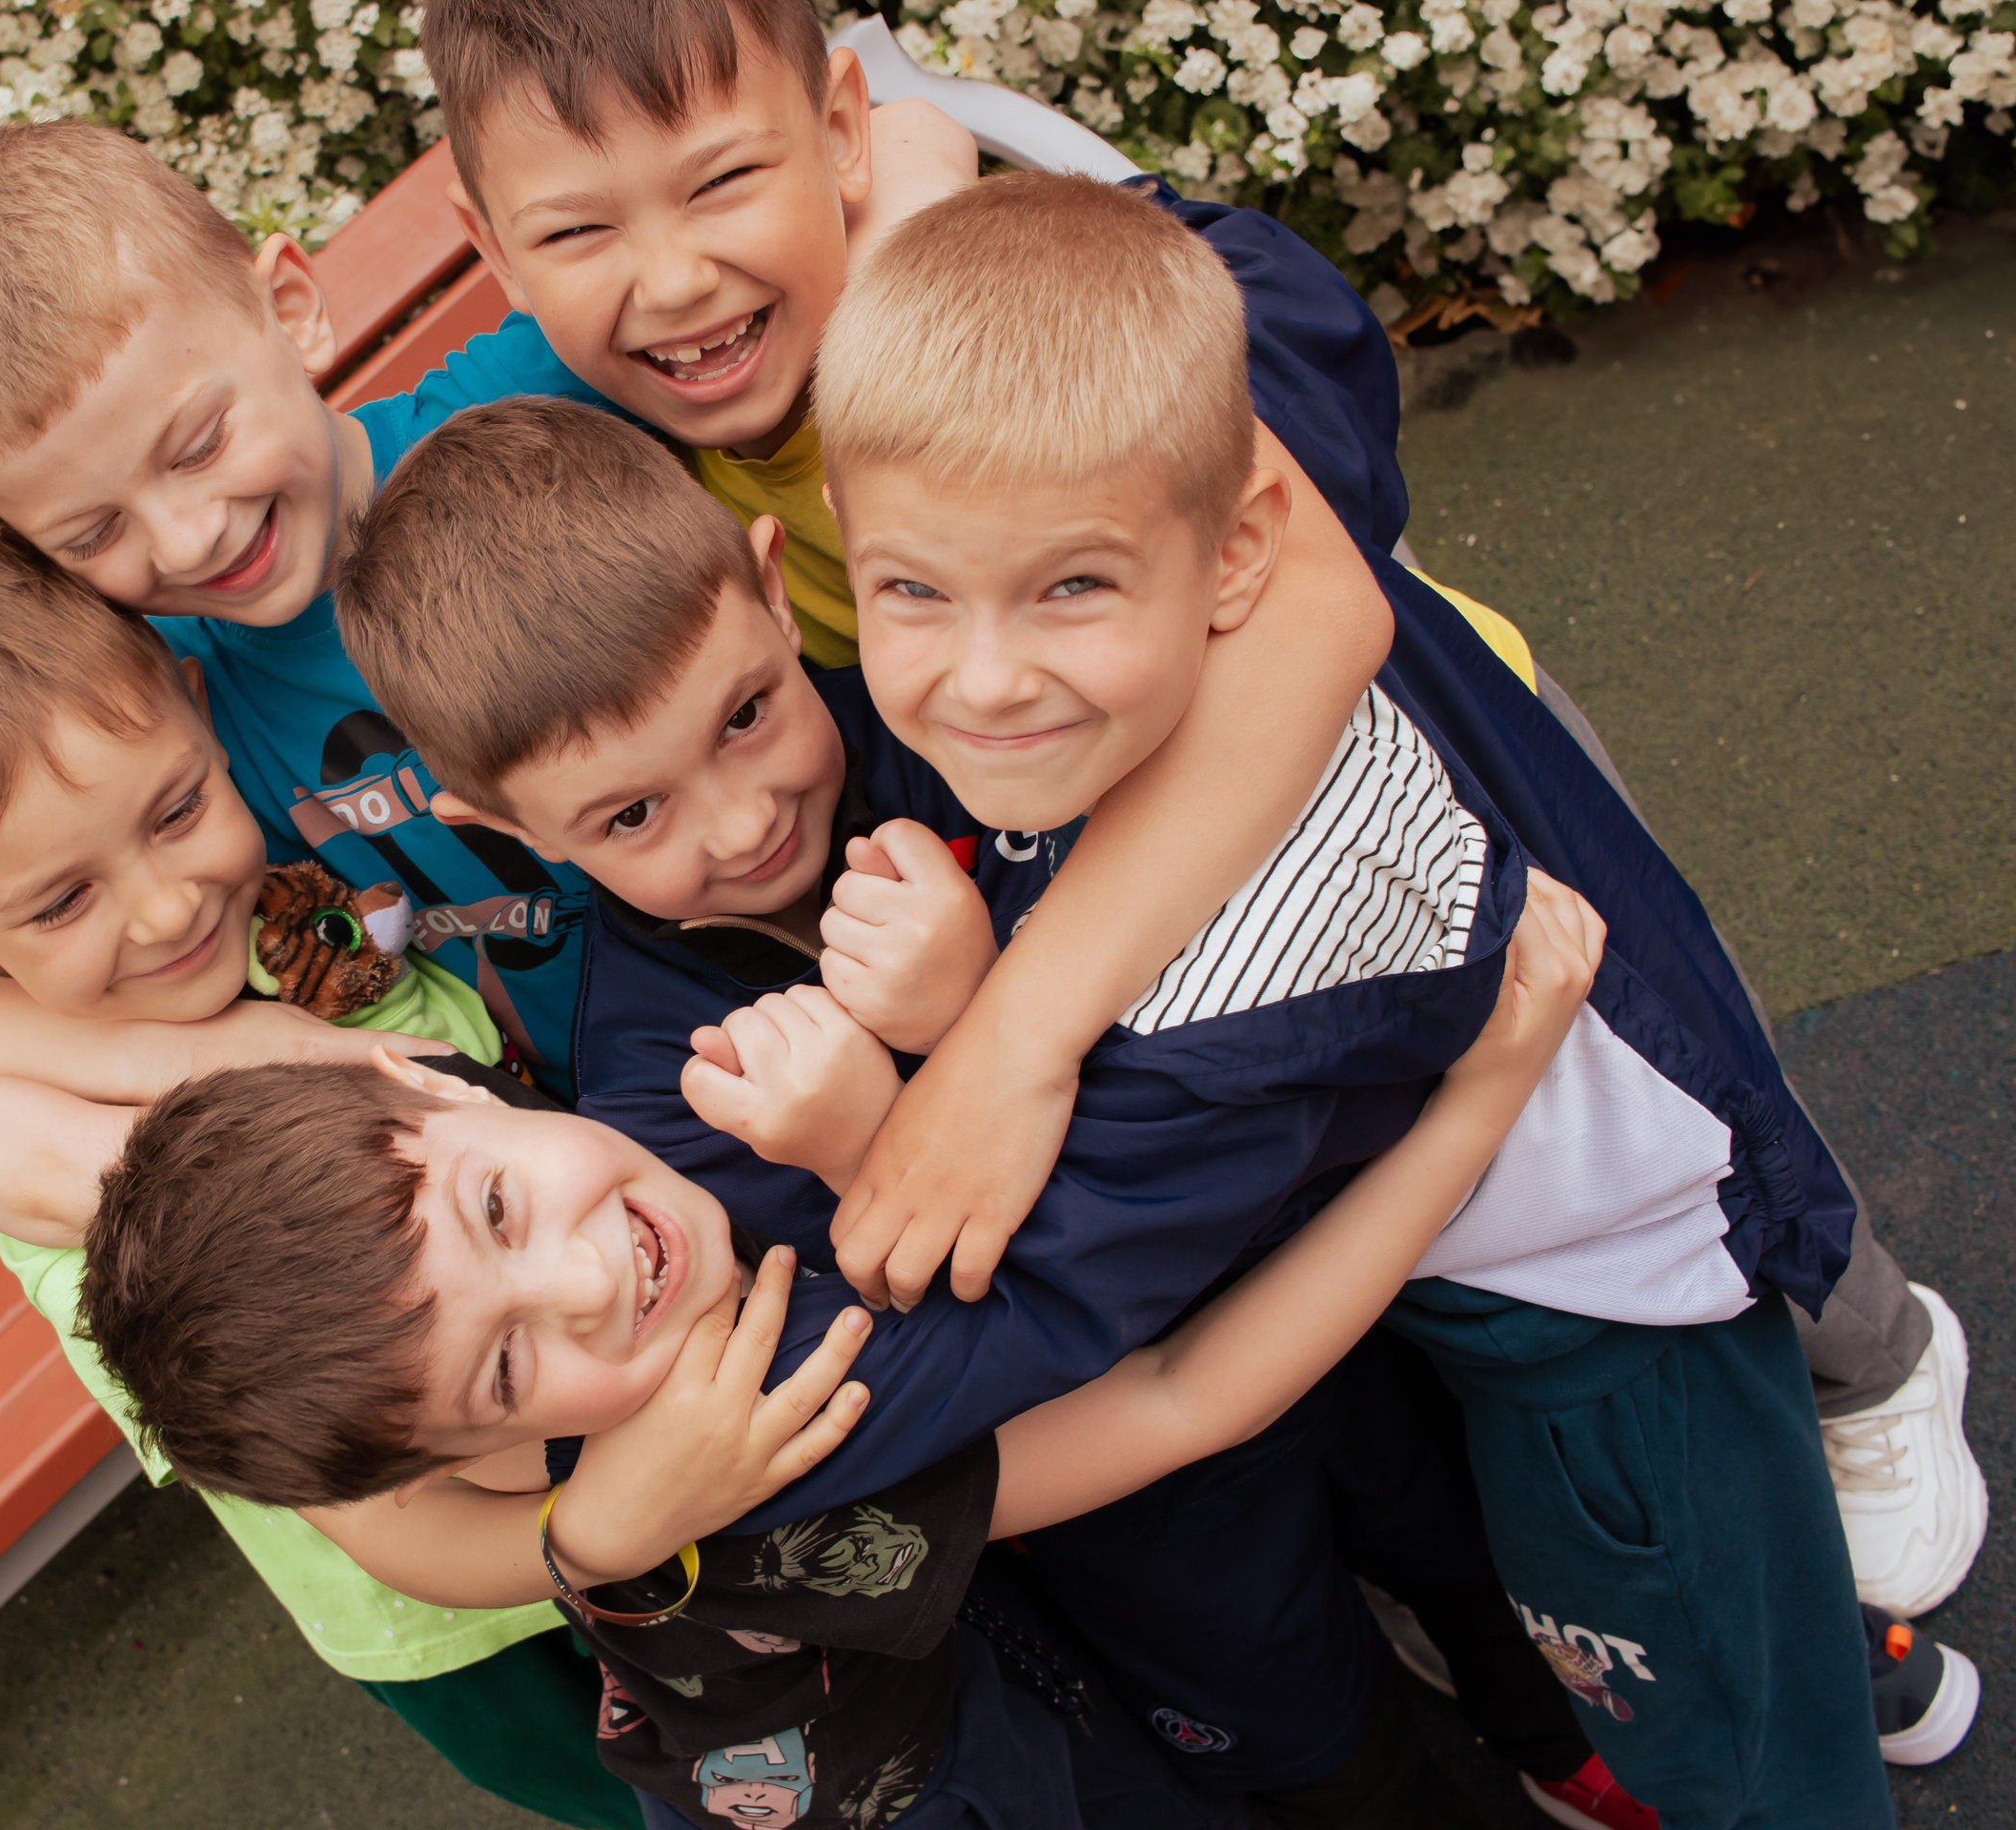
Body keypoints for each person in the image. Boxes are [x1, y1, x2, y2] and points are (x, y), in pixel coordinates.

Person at [417, 0, 1985, 1623]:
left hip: (1426, 796)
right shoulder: (633, 415)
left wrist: (1013, 1039)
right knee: (1472, 1211)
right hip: (1167, 889)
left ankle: (1870, 1350)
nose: (667, 276)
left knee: (1657, 1091)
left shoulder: (1063, 301)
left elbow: (1322, 622)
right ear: (495, 248)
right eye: (580, 229)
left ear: (839, 126)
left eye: (722, 180)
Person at [809, 171, 1964, 1822]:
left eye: (1071, 587)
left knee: (1712, 1708)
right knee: (1738, 1607)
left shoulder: (1262, 973)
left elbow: (1059, 1297)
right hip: (1508, 1269)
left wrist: (734, 1484)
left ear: (1239, 553)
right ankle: (1867, 1676)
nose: (982, 679)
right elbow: (1224, 244)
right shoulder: (1176, 675)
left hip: (1602, 1332)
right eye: (916, 591)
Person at [332, 396, 1647, 1826]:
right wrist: (889, 1115)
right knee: (1311, 1737)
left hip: (1339, 1294)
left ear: (776, 588)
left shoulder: (962, 725)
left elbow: (1186, 944)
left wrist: (988, 1008)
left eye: (748, 715)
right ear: (503, 833)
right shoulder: (653, 1082)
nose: (742, 820)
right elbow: (924, 1323)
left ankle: (1546, 1731)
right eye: (630, 818)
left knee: (1459, 1544)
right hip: (1130, 1500)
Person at [76, 868, 1607, 1830]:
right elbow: (1182, 1395)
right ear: (473, 1450)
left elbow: (375, 1499)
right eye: (507, 1366)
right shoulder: (768, 1439)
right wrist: (1475, 1104)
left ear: (457, 1090)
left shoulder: (505, 1235)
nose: (586, 1279)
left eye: (495, 1211)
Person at [0, 512, 641, 1830]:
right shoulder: (63, 1181)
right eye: (63, 902)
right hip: (486, 1620)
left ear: (191, 710)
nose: (167, 907)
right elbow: (388, 1515)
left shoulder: (305, 919)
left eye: (176, 810)